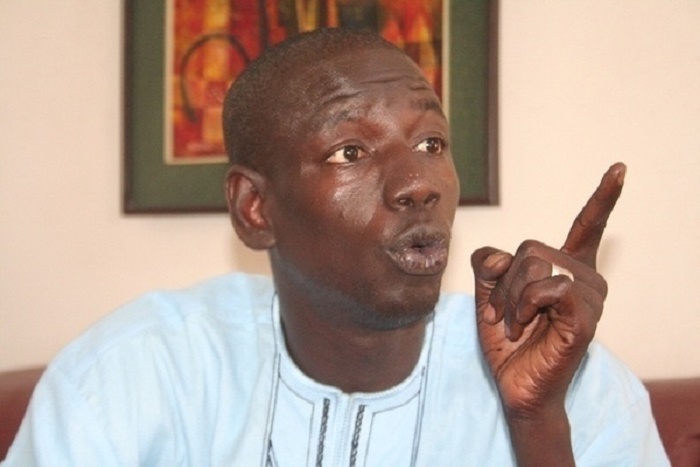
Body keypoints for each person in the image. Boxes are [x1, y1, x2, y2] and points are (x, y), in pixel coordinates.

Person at [3, 28, 668, 466]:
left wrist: (538, 425)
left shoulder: (575, 384)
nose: (418, 182)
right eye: (351, 151)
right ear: (254, 208)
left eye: (431, 142)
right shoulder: (133, 378)